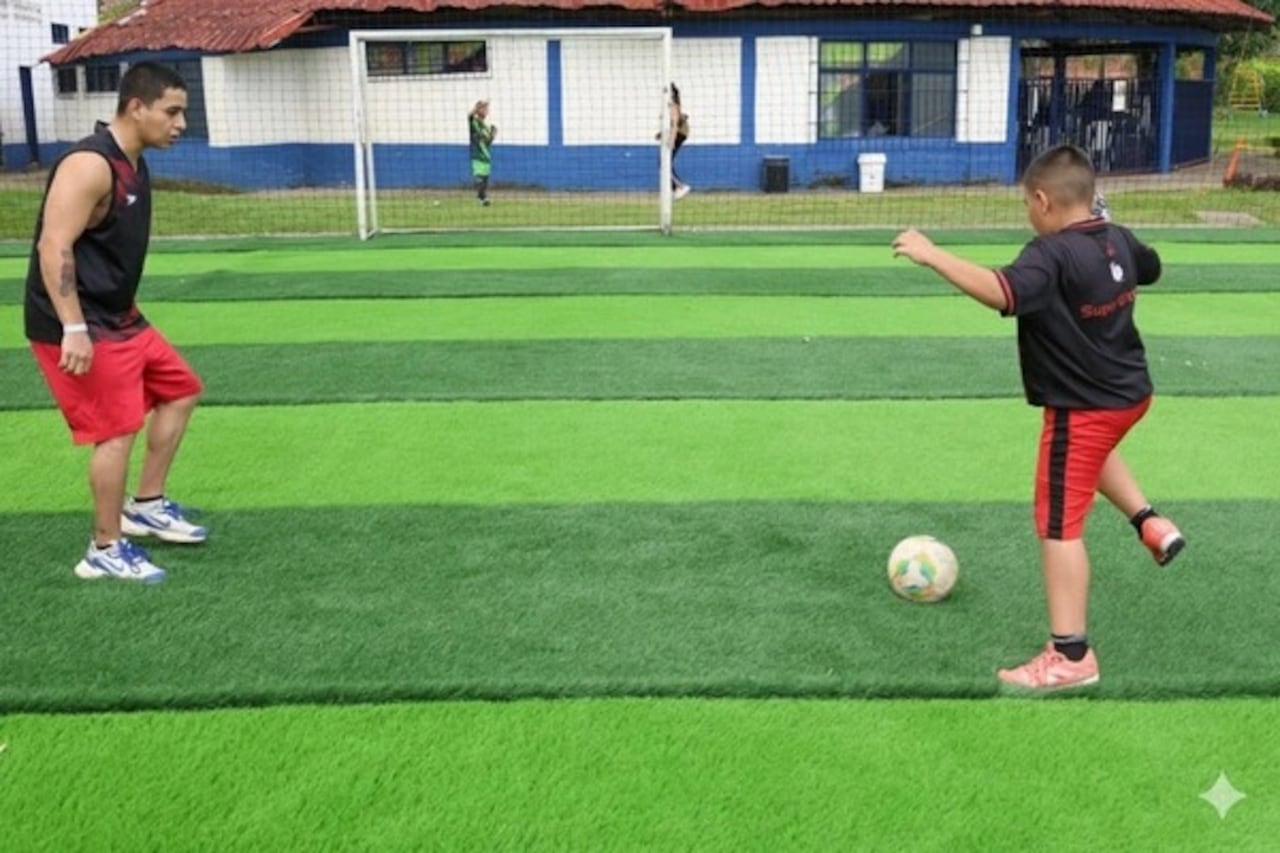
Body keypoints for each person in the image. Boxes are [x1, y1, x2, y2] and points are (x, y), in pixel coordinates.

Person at [891, 144, 1185, 692]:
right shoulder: (1114, 235)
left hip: (1086, 407)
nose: (1029, 214)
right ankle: (1150, 522)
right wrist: (1111, 236)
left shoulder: (1048, 254)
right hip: (1130, 396)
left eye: (1029, 204)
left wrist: (932, 254)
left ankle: (1071, 656)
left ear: (1044, 200)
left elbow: (1003, 293)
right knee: (1091, 454)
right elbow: (1151, 267)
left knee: (1058, 526)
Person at [25, 61, 206, 585]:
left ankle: (145, 503)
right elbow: (53, 245)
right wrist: (73, 328)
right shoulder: (89, 164)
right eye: (172, 112)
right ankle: (104, 547)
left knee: (181, 390)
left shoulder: (134, 159)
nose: (179, 124)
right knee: (116, 429)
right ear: (136, 107)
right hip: (79, 322)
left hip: (119, 316)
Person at [657, 83, 691, 199]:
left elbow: (675, 124)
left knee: (664, 164)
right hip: (679, 133)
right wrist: (662, 134)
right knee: (664, 163)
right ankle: (675, 188)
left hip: (679, 134)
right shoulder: (671, 105)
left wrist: (672, 139)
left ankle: (680, 186)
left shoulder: (673, 105)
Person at [469, 100, 497, 206]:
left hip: (486, 155)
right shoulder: (474, 121)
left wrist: (492, 135)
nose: (486, 111)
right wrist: (476, 108)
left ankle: (482, 198)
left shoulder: (485, 126)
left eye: (487, 109)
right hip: (477, 154)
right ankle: (482, 199)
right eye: (484, 109)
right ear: (478, 109)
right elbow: (469, 116)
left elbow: (487, 143)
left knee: (485, 180)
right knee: (479, 178)